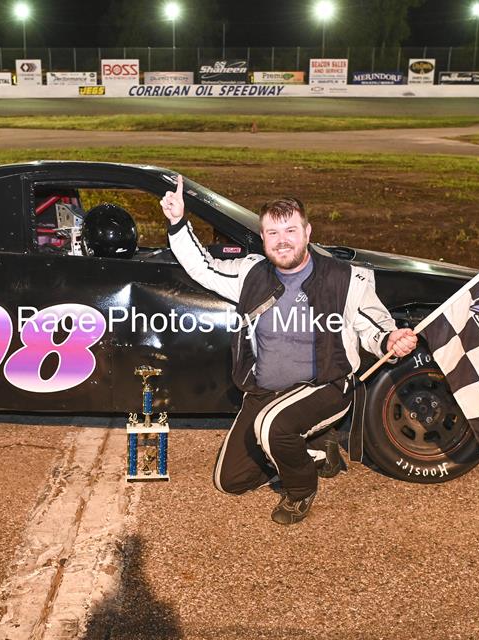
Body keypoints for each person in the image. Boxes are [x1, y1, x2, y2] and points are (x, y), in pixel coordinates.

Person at [160, 175, 418, 525]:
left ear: (307, 233)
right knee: (229, 481)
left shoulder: (344, 278)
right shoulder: (251, 273)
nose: (282, 242)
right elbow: (203, 268)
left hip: (324, 385)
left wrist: (391, 340)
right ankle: (315, 449)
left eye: (290, 231)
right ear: (263, 237)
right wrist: (178, 222)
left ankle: (300, 489)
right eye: (273, 233)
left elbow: (373, 327)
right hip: (264, 390)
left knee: (274, 427)